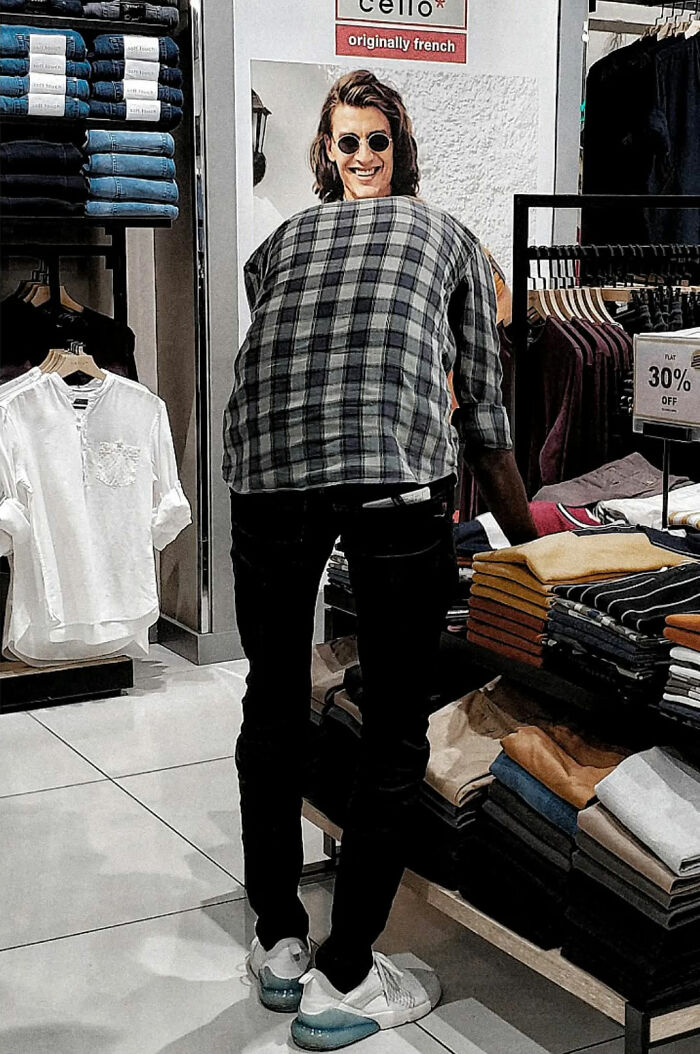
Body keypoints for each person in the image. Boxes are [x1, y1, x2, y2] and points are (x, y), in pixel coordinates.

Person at [223, 69, 537, 1051]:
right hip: (394, 472)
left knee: (271, 703)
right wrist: (532, 550)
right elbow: (483, 415)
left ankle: (279, 934)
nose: (361, 157)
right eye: (347, 142)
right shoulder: (449, 238)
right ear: (327, 153)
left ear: (397, 151)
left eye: (376, 142)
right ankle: (345, 971)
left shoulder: (276, 245)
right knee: (395, 726)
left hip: (265, 472)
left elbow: (275, 351)